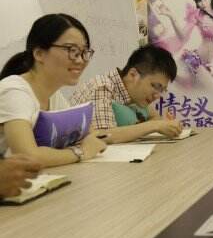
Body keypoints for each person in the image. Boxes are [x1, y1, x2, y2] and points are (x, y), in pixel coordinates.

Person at [0, 14, 106, 167]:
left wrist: (86, 142)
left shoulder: (54, 94)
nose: (80, 60)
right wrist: (80, 152)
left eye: (84, 52)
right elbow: (27, 157)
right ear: (39, 54)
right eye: (71, 50)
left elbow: (88, 134)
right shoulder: (14, 91)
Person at [70, 45, 182, 144]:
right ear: (133, 75)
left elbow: (155, 117)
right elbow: (101, 136)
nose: (157, 96)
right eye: (156, 86)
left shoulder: (133, 94)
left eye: (162, 90)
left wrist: (162, 125)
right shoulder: (103, 86)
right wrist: (155, 126)